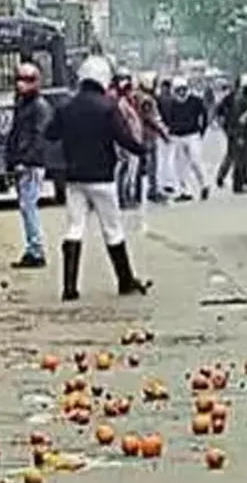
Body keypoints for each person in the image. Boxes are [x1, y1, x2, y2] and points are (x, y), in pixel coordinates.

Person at [45, 55, 151, 300]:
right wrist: (142, 150)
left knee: (74, 228)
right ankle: (125, 280)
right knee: (112, 229)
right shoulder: (107, 107)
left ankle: (69, 287)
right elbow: (123, 138)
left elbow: (50, 134)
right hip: (102, 178)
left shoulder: (66, 107)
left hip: (74, 179)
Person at [5, 62, 52, 268]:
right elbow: (15, 135)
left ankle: (36, 249)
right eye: (20, 79)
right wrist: (11, 160)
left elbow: (39, 138)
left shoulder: (39, 107)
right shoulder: (23, 104)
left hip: (31, 164)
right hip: (23, 162)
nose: (22, 84)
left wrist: (26, 160)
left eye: (27, 80)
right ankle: (33, 247)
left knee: (28, 206)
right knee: (26, 206)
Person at [162, 77, 209, 202]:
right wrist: (170, 130)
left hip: (193, 135)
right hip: (177, 136)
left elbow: (204, 115)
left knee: (196, 161)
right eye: (179, 90)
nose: (181, 92)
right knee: (180, 166)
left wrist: (202, 130)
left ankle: (204, 185)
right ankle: (185, 191)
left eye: (183, 89)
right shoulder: (171, 103)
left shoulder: (195, 101)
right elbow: (167, 118)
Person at [216, 74, 247, 192]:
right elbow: (237, 119)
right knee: (239, 159)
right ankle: (237, 184)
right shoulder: (239, 100)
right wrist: (238, 135)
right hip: (239, 133)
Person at [133, 72, 169, 204]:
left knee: (141, 166)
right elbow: (150, 119)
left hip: (141, 135)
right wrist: (163, 133)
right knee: (151, 165)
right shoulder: (146, 100)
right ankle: (152, 191)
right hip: (148, 136)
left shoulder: (137, 97)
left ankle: (138, 193)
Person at [111, 72, 144, 209]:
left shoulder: (131, 103)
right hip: (127, 144)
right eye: (129, 90)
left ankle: (127, 197)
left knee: (131, 172)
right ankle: (123, 198)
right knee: (126, 172)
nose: (131, 92)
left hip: (134, 141)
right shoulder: (122, 105)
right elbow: (123, 125)